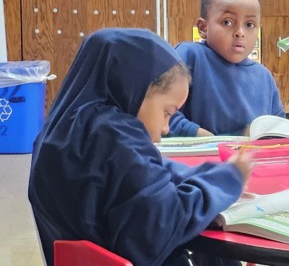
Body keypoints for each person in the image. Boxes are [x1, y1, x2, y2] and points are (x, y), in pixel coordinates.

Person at [28, 28, 252, 266]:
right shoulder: (117, 137)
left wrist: (201, 175)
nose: (165, 128)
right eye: (167, 112)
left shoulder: (60, 134)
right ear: (136, 90)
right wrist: (228, 179)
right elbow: (163, 225)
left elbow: (147, 170)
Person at [169, 0, 284, 137]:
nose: (240, 32)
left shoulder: (263, 77)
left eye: (249, 24)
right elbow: (157, 111)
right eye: (227, 22)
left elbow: (278, 128)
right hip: (200, 151)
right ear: (203, 28)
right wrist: (201, 136)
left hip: (248, 152)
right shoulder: (190, 55)